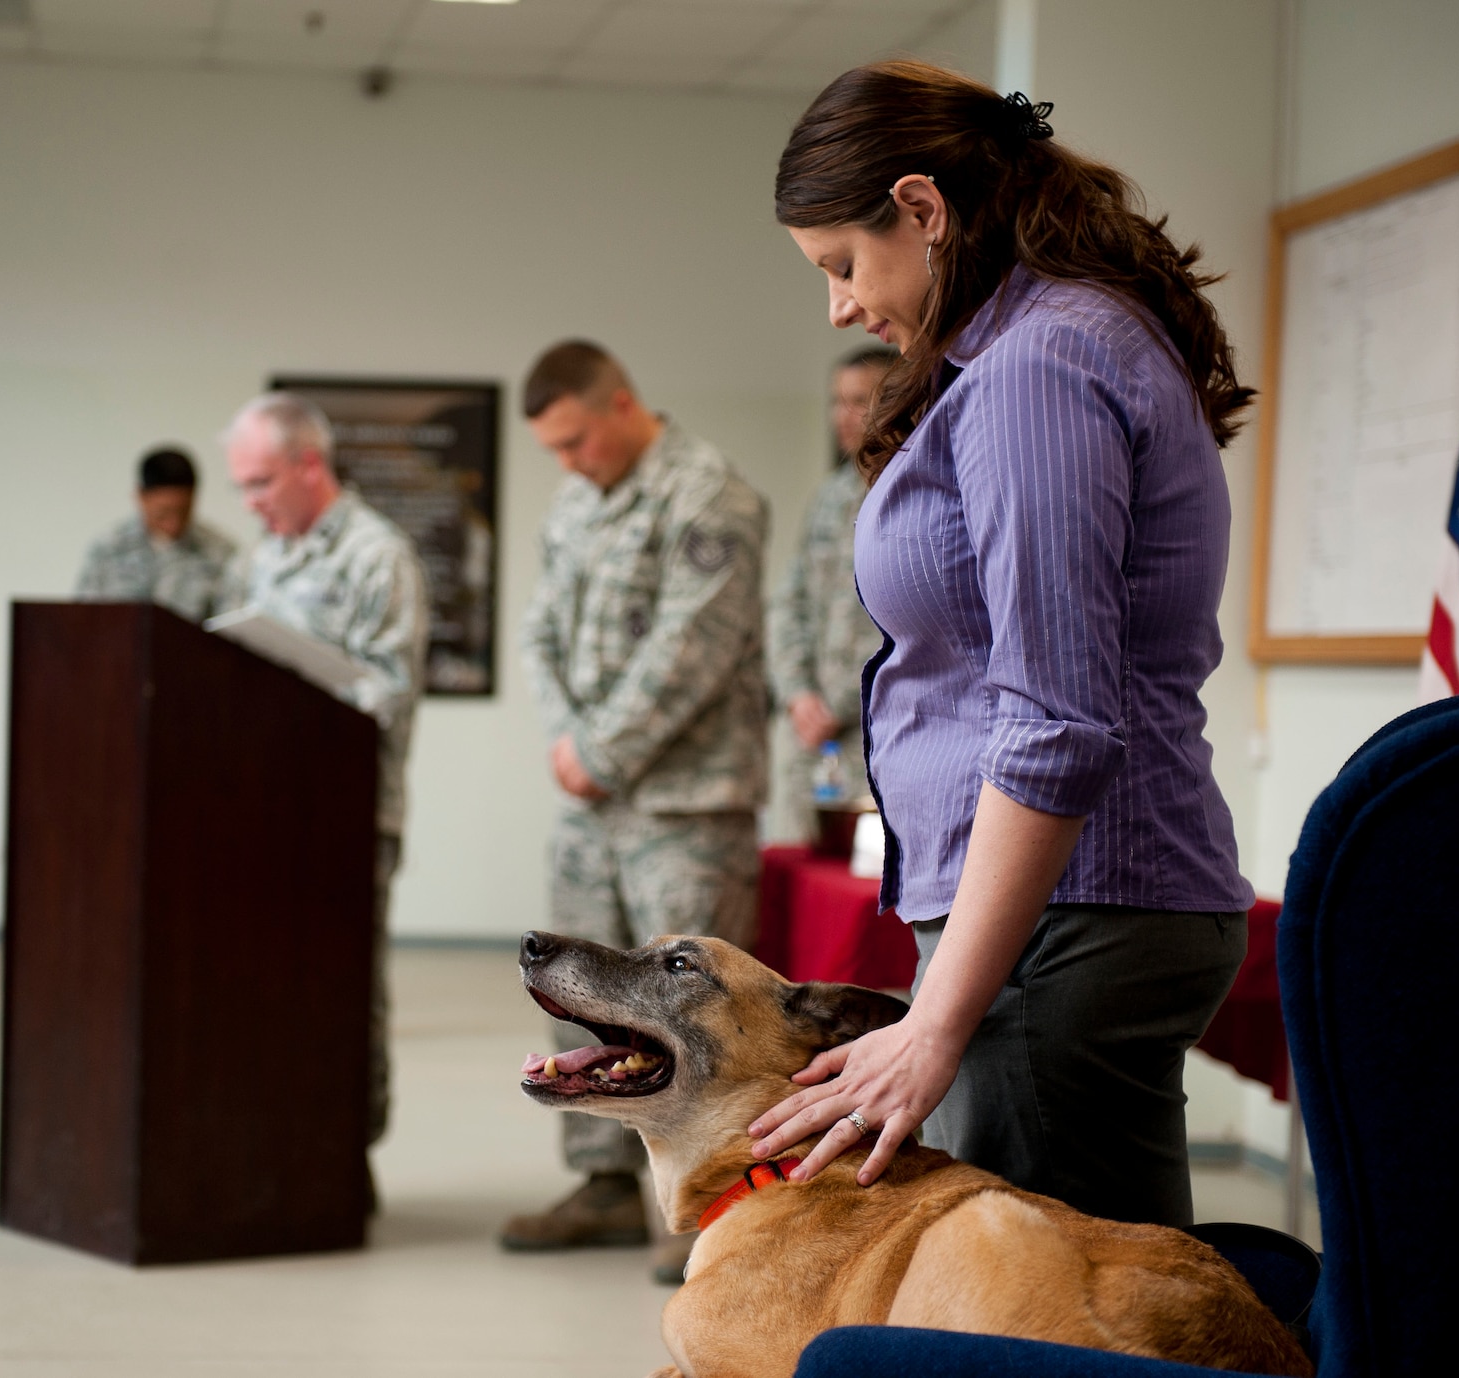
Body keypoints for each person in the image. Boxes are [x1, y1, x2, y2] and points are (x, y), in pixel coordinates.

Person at [748, 61, 1255, 1230]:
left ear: (922, 212)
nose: (836, 307)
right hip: (1063, 913)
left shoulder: (1038, 366)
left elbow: (1056, 720)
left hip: (1061, 918)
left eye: (841, 264)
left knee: (1051, 1326)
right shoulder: (1049, 343)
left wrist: (936, 1018)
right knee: (1111, 1312)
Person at [501, 341, 769, 1278]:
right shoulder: (578, 501)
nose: (569, 463)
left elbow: (689, 648)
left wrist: (600, 751)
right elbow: (536, 628)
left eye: (577, 440)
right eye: (556, 451)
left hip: (685, 804)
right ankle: (606, 1184)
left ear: (620, 403)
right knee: (572, 989)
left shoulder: (709, 494)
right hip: (591, 802)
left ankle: (706, 1204)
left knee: (690, 1009)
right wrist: (571, 742)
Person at [218, 392, 429, 1193]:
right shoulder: (261, 555)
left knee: (342, 991)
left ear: (311, 464)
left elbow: (389, 696)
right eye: (241, 487)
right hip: (257, 816)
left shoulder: (378, 556)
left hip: (344, 818)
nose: (251, 503)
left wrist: (300, 693)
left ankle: (345, 1153)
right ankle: (271, 1143)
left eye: (262, 481)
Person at [768, 346, 894, 836]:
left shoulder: (920, 488)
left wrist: (839, 703)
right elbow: (788, 604)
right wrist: (798, 695)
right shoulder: (829, 496)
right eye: (836, 401)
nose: (843, 415)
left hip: (880, 735)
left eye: (859, 400)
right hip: (814, 742)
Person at [74, 447, 234, 622]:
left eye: (183, 513)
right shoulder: (107, 550)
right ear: (140, 496)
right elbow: (85, 622)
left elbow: (229, 626)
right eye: (163, 513)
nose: (173, 524)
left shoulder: (219, 552)